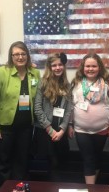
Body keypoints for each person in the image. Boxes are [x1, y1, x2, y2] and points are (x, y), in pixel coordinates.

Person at [0, 41, 40, 190]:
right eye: (16, 54)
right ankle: (1, 189)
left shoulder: (34, 73)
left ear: (28, 56)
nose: (20, 57)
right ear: (11, 56)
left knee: (21, 161)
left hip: (25, 127)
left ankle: (18, 189)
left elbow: (37, 98)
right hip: (4, 126)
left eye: (23, 54)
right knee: (1, 162)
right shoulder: (2, 72)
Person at [68, 53, 109, 184]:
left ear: (99, 67)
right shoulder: (76, 84)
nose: (90, 69)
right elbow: (71, 106)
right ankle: (91, 188)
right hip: (81, 130)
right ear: (83, 68)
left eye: (94, 66)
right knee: (88, 159)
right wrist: (70, 125)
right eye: (87, 66)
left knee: (97, 158)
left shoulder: (108, 84)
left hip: (102, 129)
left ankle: (93, 184)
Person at [34, 52, 72, 181]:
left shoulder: (67, 84)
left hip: (60, 131)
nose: (57, 68)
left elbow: (68, 110)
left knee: (62, 163)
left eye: (60, 64)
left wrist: (62, 130)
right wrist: (50, 130)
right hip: (45, 131)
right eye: (54, 65)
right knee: (51, 164)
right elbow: (37, 109)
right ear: (49, 67)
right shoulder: (42, 83)